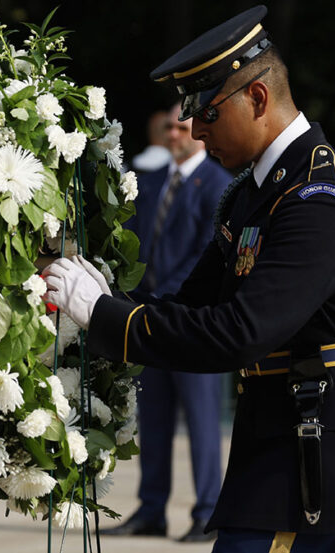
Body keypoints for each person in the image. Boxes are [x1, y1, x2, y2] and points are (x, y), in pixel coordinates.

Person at [44, 6, 335, 552]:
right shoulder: (252, 193)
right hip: (275, 440)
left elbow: (238, 332)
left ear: (257, 99)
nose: (190, 130)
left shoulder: (319, 199)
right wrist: (96, 295)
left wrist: (105, 315)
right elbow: (189, 306)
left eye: (206, 113)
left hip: (310, 450)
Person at [101, 103, 229, 542]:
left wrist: (163, 299)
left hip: (191, 320)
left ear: (199, 130)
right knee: (152, 418)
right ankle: (151, 509)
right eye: (169, 128)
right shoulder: (152, 181)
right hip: (150, 318)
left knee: (201, 419)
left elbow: (207, 255)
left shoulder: (219, 184)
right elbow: (133, 246)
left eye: (181, 127)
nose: (173, 135)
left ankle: (208, 511)